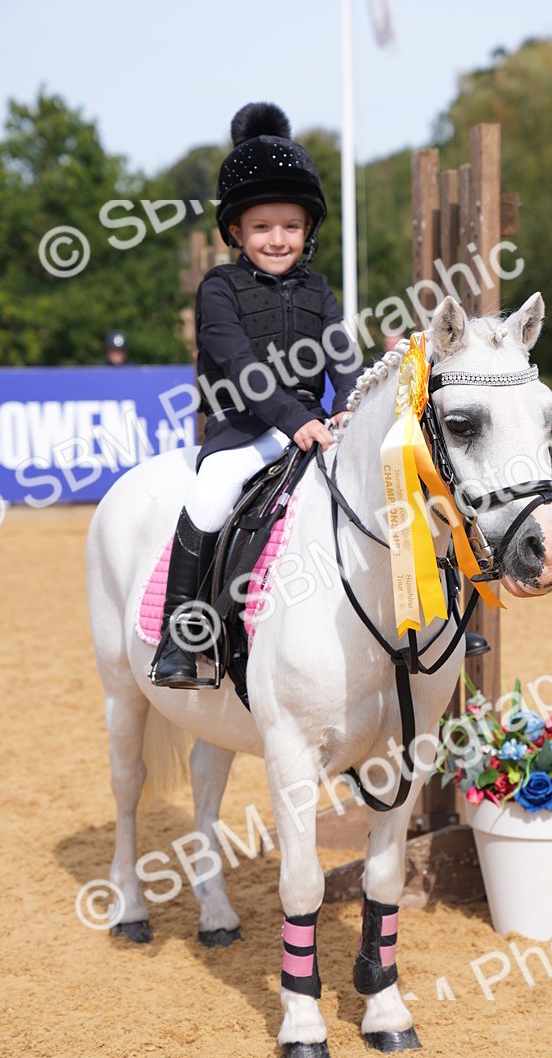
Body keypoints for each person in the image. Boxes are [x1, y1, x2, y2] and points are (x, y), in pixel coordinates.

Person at [151, 102, 362, 687]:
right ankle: (177, 637)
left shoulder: (319, 290)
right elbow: (242, 368)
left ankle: (428, 615)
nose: (278, 239)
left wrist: (349, 404)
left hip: (314, 426)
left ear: (308, 231)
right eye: (263, 227)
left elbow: (344, 357)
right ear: (236, 231)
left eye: (291, 227)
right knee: (212, 496)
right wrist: (297, 420)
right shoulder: (218, 289)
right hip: (242, 429)